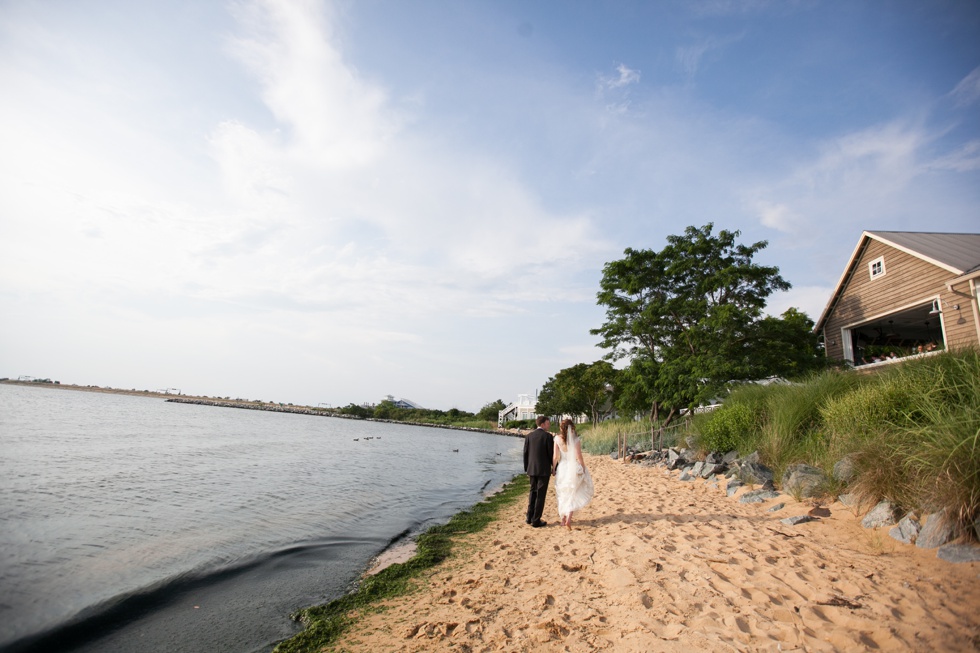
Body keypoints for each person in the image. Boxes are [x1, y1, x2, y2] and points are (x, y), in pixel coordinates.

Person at [552, 419, 594, 530]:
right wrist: (583, 468)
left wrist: (553, 468)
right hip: (573, 467)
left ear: (562, 428)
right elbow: (579, 456)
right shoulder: (576, 440)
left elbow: (555, 457)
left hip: (562, 468)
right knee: (573, 492)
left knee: (562, 493)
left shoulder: (557, 439)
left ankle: (562, 519)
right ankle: (569, 518)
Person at [523, 415, 554, 528]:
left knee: (533, 492)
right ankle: (536, 520)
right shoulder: (548, 436)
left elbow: (525, 453)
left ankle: (529, 517)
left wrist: (526, 468)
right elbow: (551, 454)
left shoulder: (529, 436)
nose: (549, 425)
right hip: (543, 470)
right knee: (540, 495)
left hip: (532, 469)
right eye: (547, 423)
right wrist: (554, 467)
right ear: (542, 424)